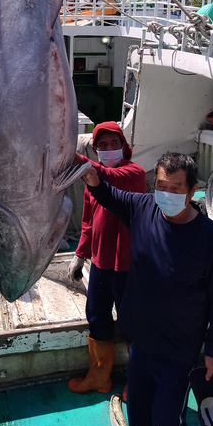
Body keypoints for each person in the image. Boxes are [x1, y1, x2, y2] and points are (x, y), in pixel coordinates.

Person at [80, 151, 213, 426]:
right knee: (138, 410)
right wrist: (92, 178)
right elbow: (107, 192)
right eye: (161, 185)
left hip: (178, 350)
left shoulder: (208, 237)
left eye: (176, 189)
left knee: (167, 420)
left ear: (192, 192)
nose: (167, 194)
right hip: (141, 343)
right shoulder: (142, 207)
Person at [68, 122, 145, 395]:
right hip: (100, 264)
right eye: (102, 145)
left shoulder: (133, 173)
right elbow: (87, 221)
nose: (108, 149)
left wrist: (71, 156)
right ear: (95, 149)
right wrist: (80, 254)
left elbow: (105, 176)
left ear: (124, 146)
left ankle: (137, 385)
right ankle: (99, 377)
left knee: (134, 324)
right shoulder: (92, 181)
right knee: (97, 318)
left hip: (129, 265)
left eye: (115, 144)